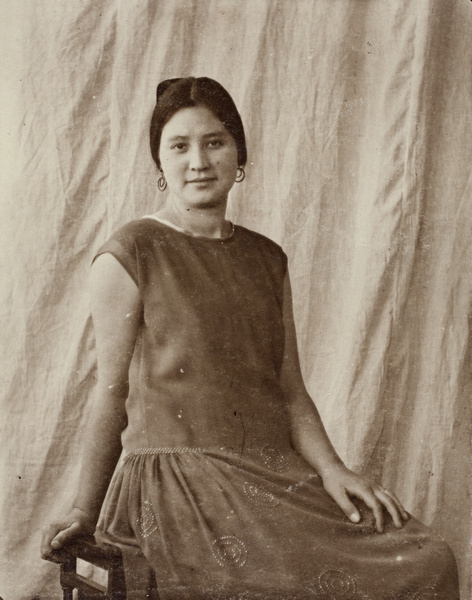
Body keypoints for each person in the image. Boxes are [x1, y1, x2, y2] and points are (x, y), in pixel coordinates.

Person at [41, 77, 460, 599]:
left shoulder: (267, 258)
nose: (199, 161)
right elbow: (111, 395)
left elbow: (291, 390)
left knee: (427, 559)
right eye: (179, 145)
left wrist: (333, 470)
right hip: (180, 487)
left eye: (214, 142)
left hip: (269, 474)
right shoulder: (131, 252)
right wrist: (85, 509)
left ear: (239, 153)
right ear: (160, 163)